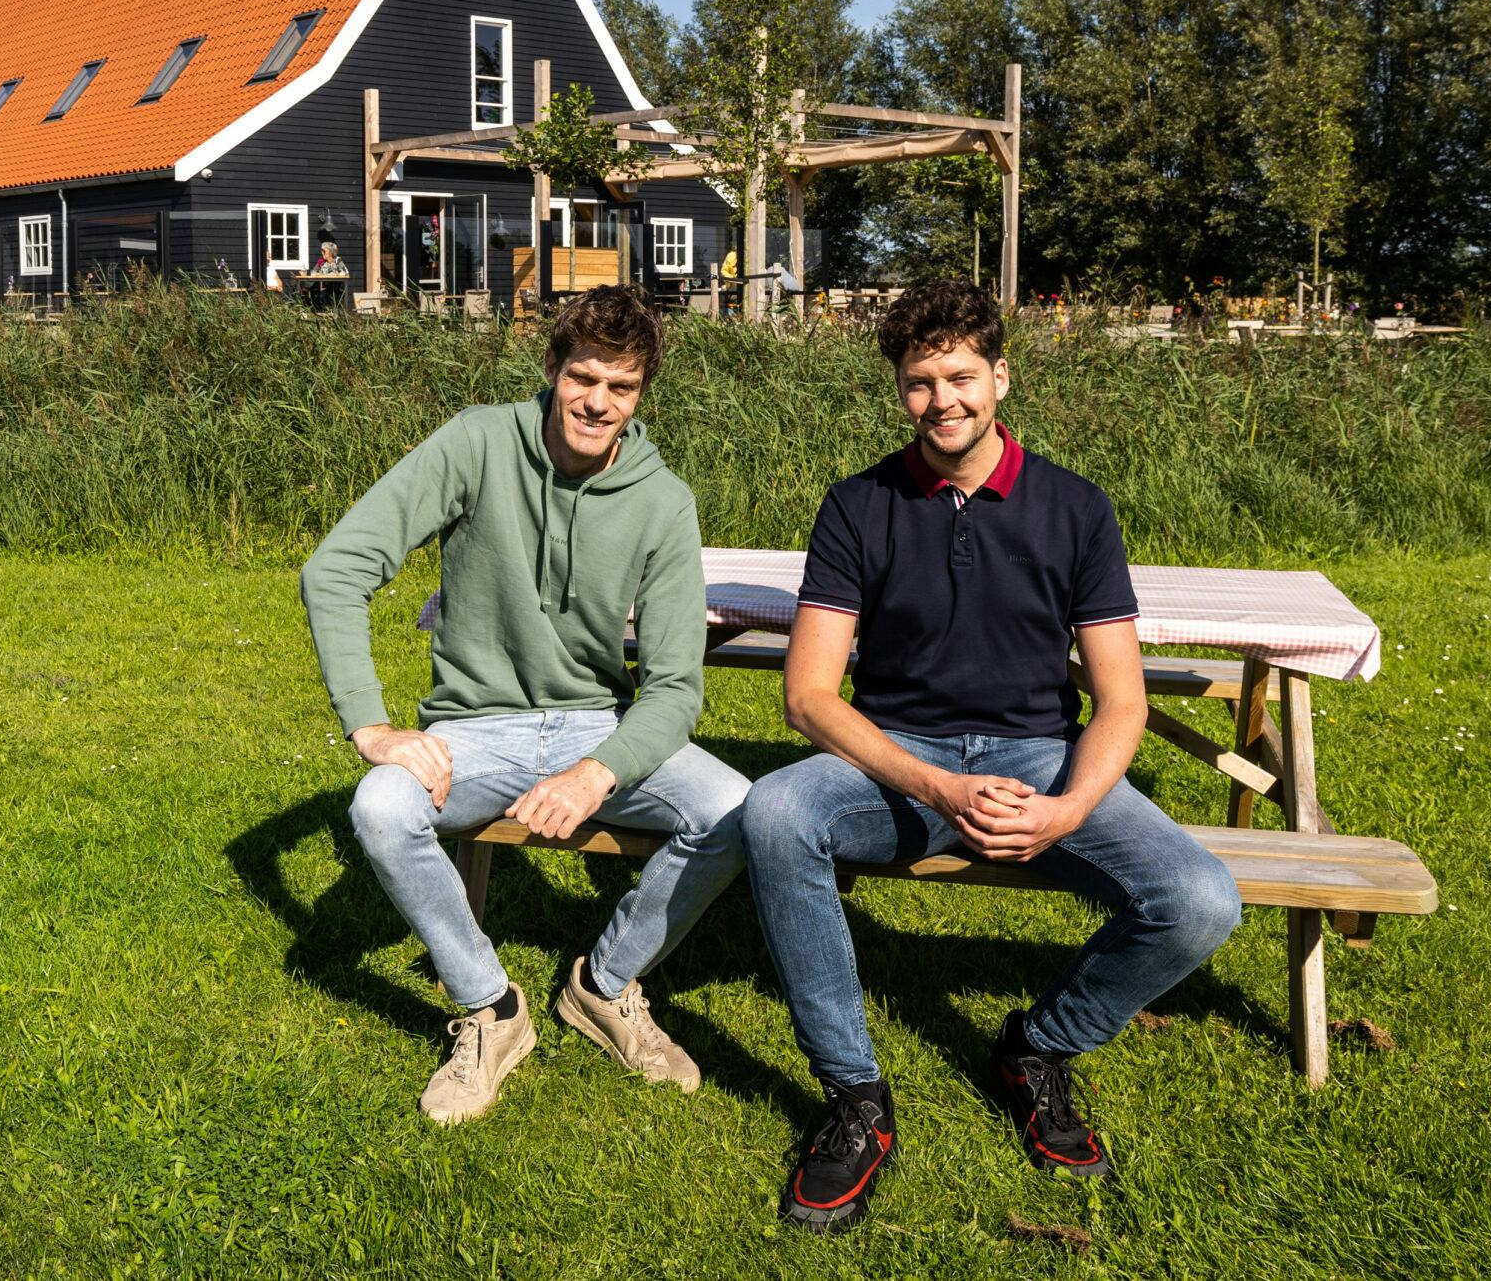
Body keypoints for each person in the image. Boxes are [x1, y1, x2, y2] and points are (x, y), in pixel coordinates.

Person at [743, 280, 1241, 1234]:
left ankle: (1038, 1048)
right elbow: (807, 694)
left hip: (1040, 762)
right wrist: (932, 781)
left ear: (1001, 375)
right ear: (899, 389)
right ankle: (854, 1096)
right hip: (902, 761)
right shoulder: (859, 505)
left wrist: (1061, 810)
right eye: (921, 382)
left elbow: (1122, 699)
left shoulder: (1075, 508)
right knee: (775, 813)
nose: (944, 401)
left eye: (962, 376)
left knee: (1201, 897)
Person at [301, 286, 748, 1125]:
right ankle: (490, 1006)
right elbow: (335, 569)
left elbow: (677, 686)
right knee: (381, 805)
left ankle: (605, 984)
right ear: (551, 367)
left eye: (620, 387)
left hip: (597, 723)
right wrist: (371, 722)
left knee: (735, 805)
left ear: (643, 390)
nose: (597, 403)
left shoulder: (664, 503)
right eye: (583, 378)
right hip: (475, 727)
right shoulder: (477, 442)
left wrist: (597, 771)